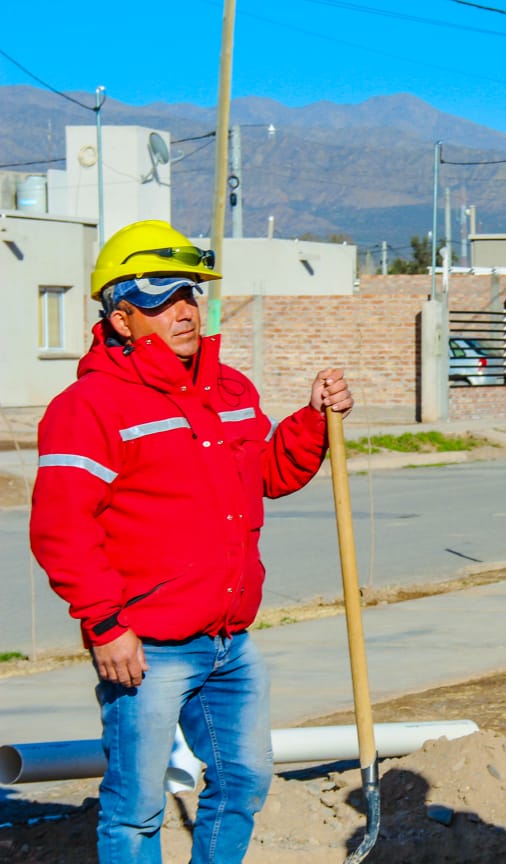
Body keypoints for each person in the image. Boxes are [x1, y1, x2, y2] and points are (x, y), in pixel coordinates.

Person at [30, 219, 354, 864]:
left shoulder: (230, 390)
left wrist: (313, 421)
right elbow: (62, 528)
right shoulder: (88, 406)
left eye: (191, 294)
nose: (185, 310)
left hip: (229, 642)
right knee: (136, 808)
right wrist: (105, 625)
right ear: (122, 319)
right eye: (162, 299)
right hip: (144, 648)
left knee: (244, 782)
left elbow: (267, 474)